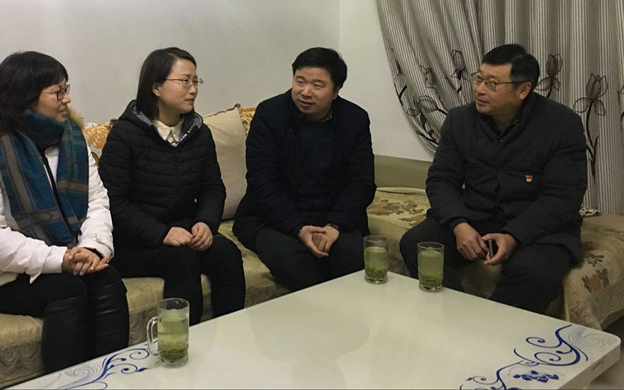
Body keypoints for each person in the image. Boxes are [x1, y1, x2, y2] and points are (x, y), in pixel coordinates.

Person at [0, 51, 129, 373]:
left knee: (107, 279)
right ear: (26, 97)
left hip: (68, 257)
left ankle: (114, 378)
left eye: (66, 89)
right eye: (58, 92)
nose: (67, 99)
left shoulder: (72, 139)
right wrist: (60, 259)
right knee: (68, 290)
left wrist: (91, 249)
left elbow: (97, 202)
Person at [400, 44, 587, 313]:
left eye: (492, 84)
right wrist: (459, 224)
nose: (479, 89)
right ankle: (454, 317)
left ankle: (493, 328)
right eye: (478, 79)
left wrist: (514, 235)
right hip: (476, 216)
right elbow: (441, 179)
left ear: (523, 90)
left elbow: (562, 198)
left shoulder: (561, 124)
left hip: (537, 228)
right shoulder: (459, 120)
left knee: (534, 273)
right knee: (417, 243)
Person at [98, 47, 245, 325]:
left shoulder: (199, 133)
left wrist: (205, 222)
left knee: (226, 252)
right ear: (156, 87)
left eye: (195, 81)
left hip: (185, 231)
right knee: (182, 259)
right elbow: (112, 201)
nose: (193, 89)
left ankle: (232, 333)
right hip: (134, 241)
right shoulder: (125, 135)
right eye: (184, 81)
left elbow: (212, 188)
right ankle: (181, 342)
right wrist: (161, 233)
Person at [233, 47, 376, 291]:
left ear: (336, 91)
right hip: (273, 219)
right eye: (300, 81)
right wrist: (297, 228)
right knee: (296, 263)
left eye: (317, 85)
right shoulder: (270, 114)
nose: (305, 92)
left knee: (353, 256)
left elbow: (361, 182)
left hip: (332, 217)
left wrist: (335, 226)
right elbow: (262, 182)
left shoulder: (355, 119)